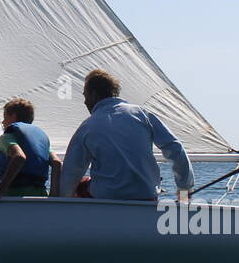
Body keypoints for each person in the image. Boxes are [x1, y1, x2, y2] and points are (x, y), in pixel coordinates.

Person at [59, 69, 194, 201]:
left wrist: (61, 205)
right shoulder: (141, 114)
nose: (85, 102)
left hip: (106, 199)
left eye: (85, 95)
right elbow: (175, 149)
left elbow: (70, 173)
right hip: (146, 196)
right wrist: (184, 190)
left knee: (80, 185)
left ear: (93, 95)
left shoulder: (87, 127)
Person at [0, 98, 63, 201]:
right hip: (41, 194)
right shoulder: (41, 138)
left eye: (5, 117)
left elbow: (19, 157)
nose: (3, 122)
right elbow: (57, 162)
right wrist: (53, 195)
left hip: (15, 194)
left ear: (13, 116)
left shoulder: (7, 137)